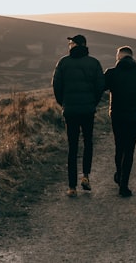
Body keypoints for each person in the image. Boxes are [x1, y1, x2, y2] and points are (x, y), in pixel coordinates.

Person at [52, 34, 104, 197]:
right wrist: (93, 103)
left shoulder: (63, 62)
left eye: (71, 43)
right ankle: (86, 177)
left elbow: (56, 85)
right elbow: (100, 86)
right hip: (88, 109)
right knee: (88, 142)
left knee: (72, 147)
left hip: (71, 110)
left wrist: (64, 103)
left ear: (77, 44)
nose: (70, 45)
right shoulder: (94, 63)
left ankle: (72, 187)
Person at [103, 45, 136, 197]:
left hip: (117, 116)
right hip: (134, 117)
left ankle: (119, 177)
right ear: (132, 57)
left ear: (119, 58)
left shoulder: (111, 73)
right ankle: (124, 185)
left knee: (119, 147)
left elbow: (99, 87)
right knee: (129, 150)